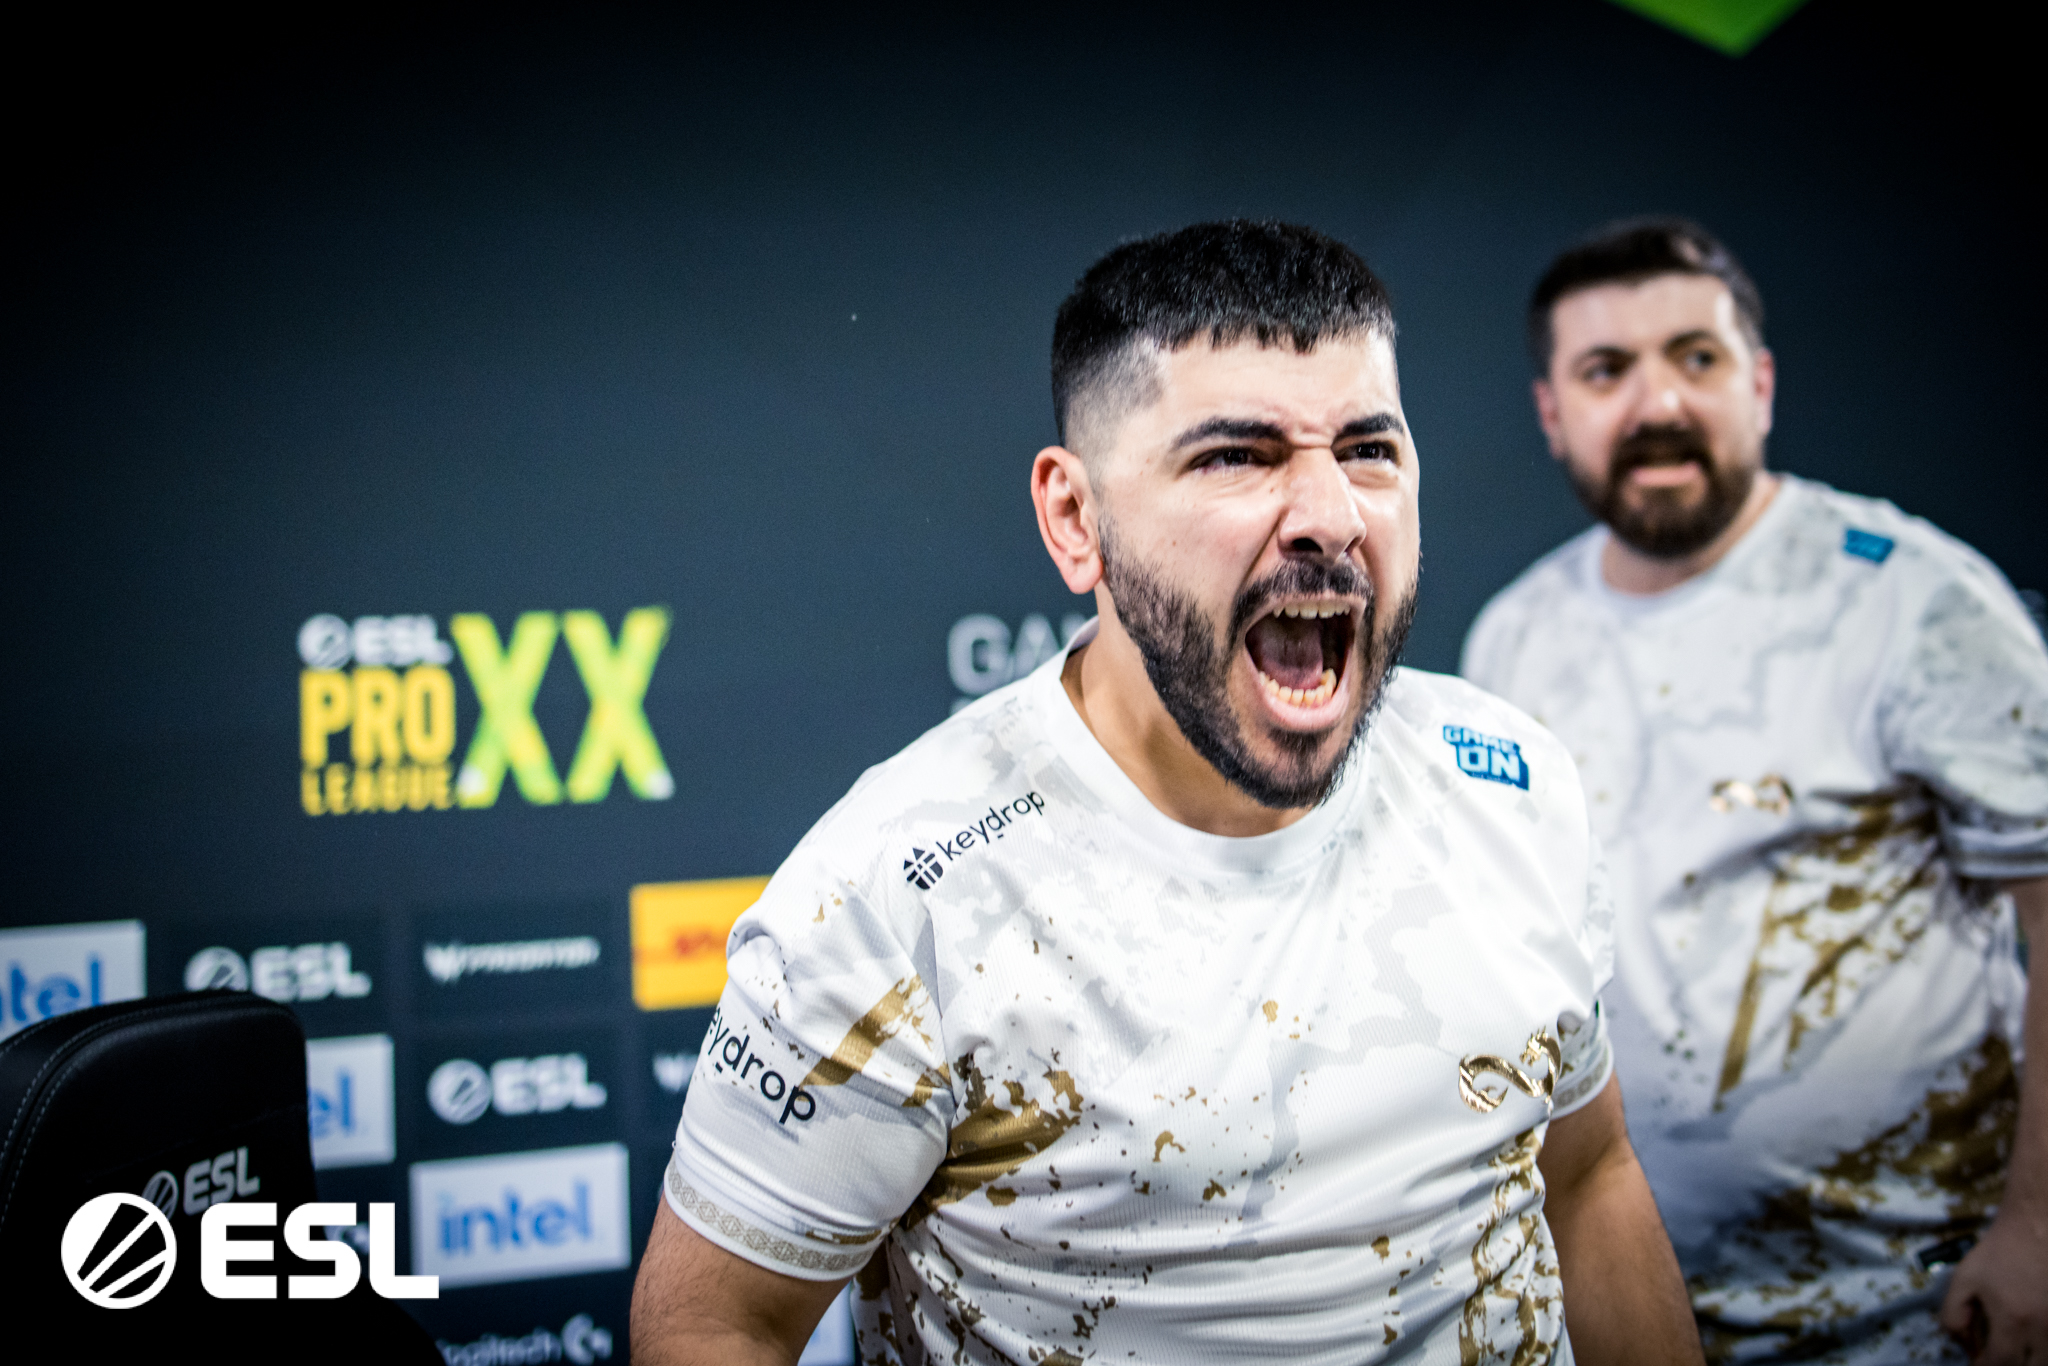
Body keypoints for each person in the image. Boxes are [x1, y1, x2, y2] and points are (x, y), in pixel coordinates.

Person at [630, 220, 1701, 1365]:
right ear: (1075, 520)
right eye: (1236, 455)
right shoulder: (894, 894)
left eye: (1367, 450)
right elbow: (710, 1322)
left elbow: (1587, 1176)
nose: (1331, 515)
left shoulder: (1510, 781)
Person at [1462, 218, 2048, 1364]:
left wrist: (2037, 1226)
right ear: (1550, 413)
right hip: (1632, 1311)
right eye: (1605, 370)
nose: (1657, 403)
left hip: (1917, 1314)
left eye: (1695, 357)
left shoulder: (1912, 601)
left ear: (1760, 384)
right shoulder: (1514, 637)